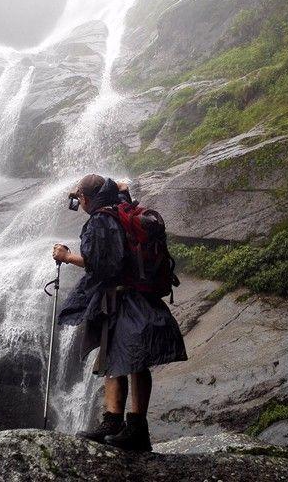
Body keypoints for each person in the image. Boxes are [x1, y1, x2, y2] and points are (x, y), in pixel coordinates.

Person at [52, 174, 187, 451]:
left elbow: (101, 265)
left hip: (124, 298)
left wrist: (66, 257)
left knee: (130, 359)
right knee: (119, 358)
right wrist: (117, 189)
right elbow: (120, 196)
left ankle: (131, 427)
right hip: (135, 295)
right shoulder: (121, 207)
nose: (79, 203)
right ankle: (116, 422)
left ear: (87, 199)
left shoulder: (101, 220)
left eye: (80, 198)